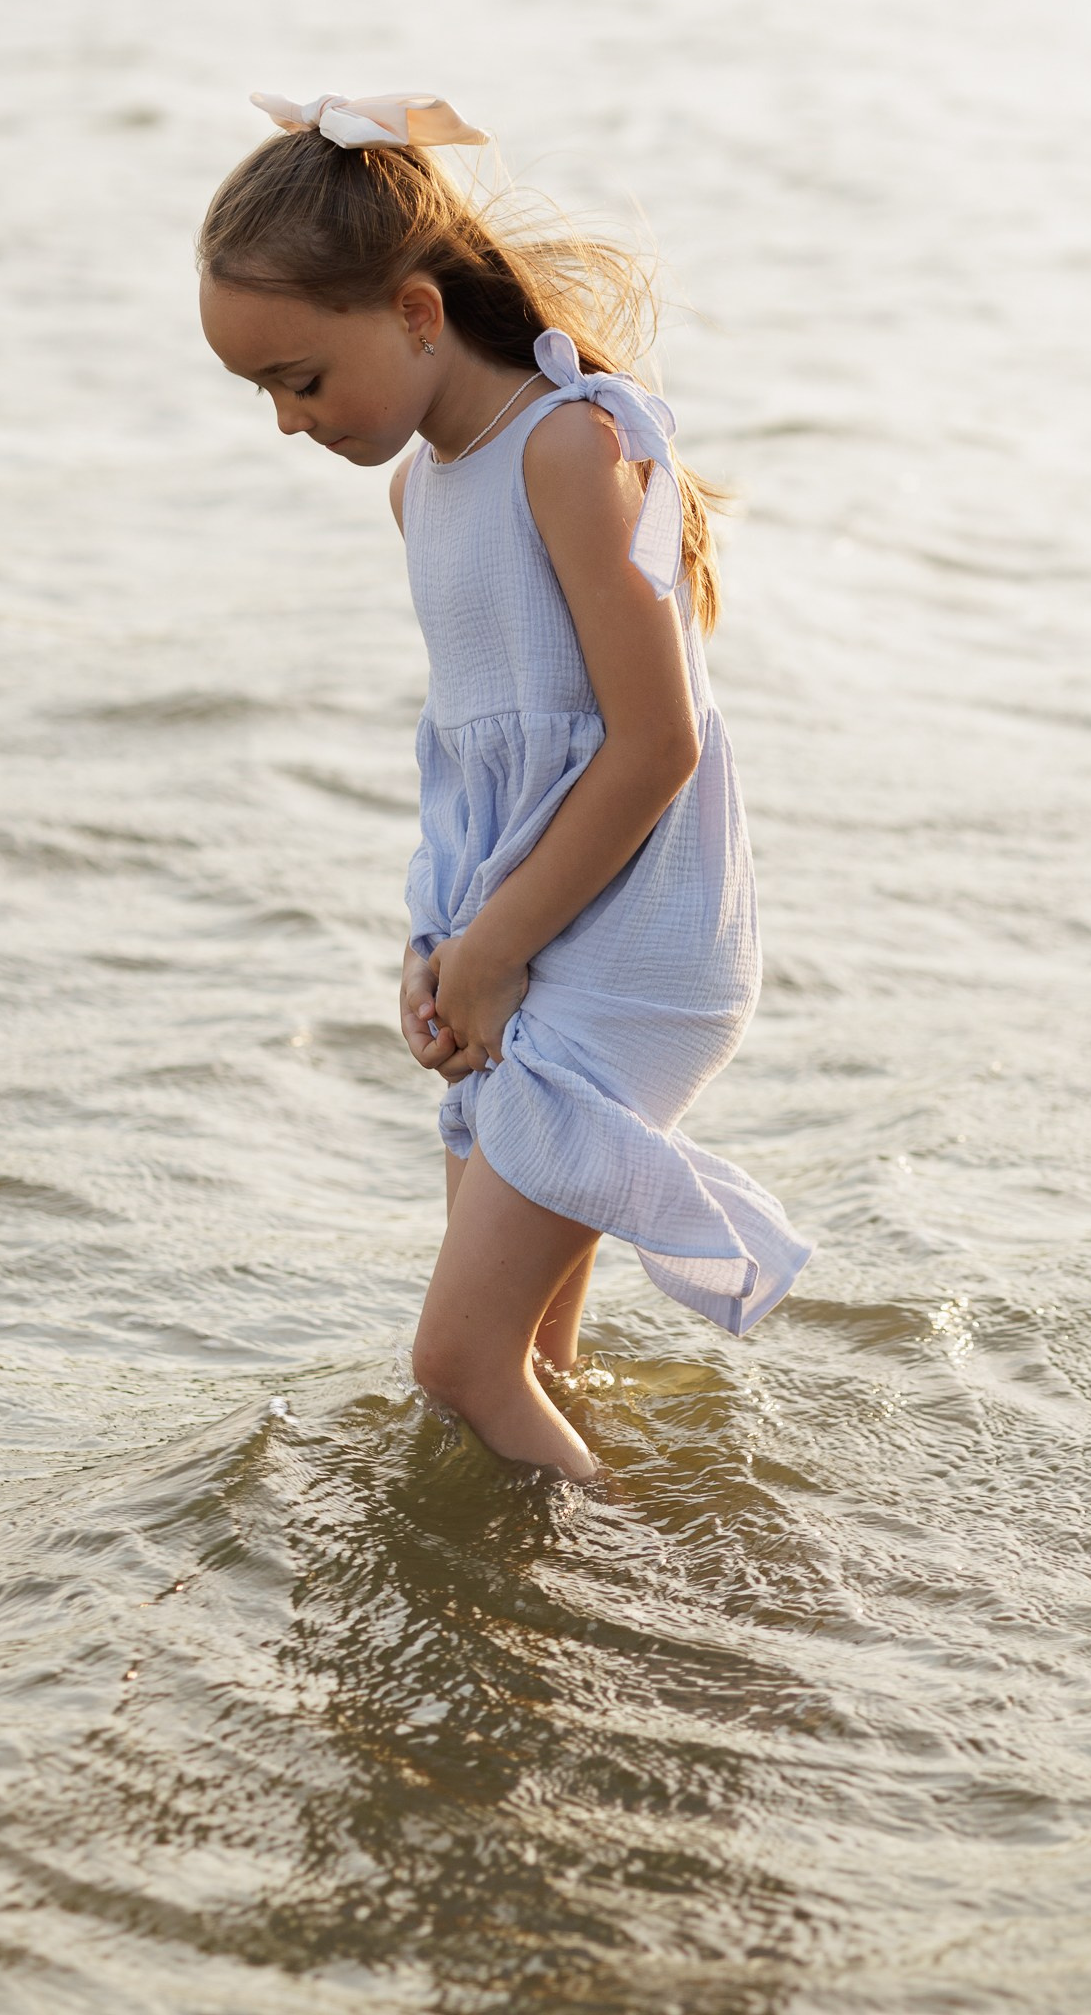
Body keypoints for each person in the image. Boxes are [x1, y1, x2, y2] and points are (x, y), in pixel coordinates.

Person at [197, 89, 812, 1481]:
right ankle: (552, 1633)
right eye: (260, 395)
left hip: (633, 946)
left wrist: (496, 949)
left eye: (301, 378)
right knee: (529, 1359)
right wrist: (436, 941)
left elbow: (655, 745)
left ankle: (639, 1590)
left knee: (457, 1364)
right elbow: (475, 761)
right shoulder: (423, 491)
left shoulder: (565, 447)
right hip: (524, 937)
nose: (287, 423)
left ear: (417, 314)